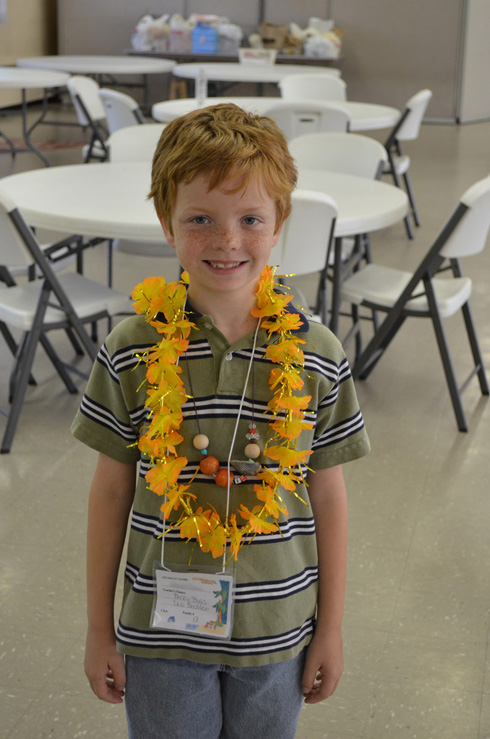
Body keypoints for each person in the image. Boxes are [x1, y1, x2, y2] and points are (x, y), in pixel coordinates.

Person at [71, 103, 370, 738]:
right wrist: (100, 627)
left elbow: (329, 496)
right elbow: (110, 490)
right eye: (200, 219)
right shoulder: (132, 347)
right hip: (159, 632)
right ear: (166, 222)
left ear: (279, 223)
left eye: (250, 219)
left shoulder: (317, 353)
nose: (227, 240)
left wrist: (331, 628)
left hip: (278, 628)